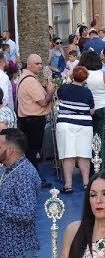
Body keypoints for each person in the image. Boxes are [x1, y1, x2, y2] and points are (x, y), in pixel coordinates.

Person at [0, 128, 42, 258]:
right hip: (6, 247)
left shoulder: (24, 175)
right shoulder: (5, 169)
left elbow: (27, 213)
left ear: (10, 150)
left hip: (20, 249)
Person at [17, 54, 56, 188]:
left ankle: (32, 179)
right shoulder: (30, 81)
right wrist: (50, 91)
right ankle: (33, 181)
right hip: (32, 121)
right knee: (32, 152)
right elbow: (44, 102)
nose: (40, 66)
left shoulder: (26, 78)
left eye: (40, 63)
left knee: (31, 152)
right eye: (37, 64)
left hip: (28, 120)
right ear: (29, 65)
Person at [56, 66, 95, 193]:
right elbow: (92, 110)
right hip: (84, 125)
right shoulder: (87, 92)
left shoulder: (64, 88)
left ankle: (68, 184)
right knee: (84, 154)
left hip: (65, 124)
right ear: (85, 78)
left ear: (73, 75)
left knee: (68, 154)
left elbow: (58, 96)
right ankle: (86, 183)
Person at [80, 51, 105, 170]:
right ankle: (102, 165)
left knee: (88, 137)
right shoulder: (103, 75)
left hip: (87, 109)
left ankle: (90, 165)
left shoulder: (84, 75)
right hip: (102, 106)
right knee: (102, 137)